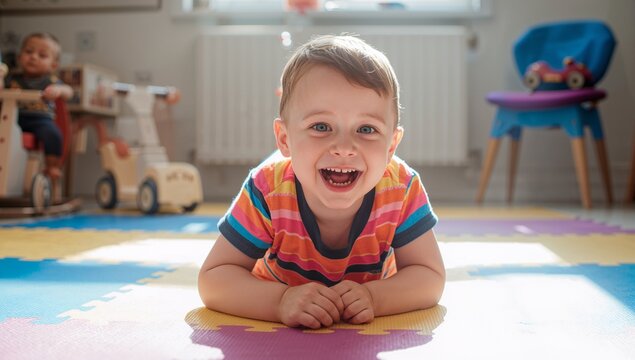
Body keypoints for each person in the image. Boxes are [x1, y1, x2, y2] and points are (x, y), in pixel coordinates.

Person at [198, 35, 445, 329]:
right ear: (285, 139)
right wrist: (280, 302)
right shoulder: (267, 190)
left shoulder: (400, 189)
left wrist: (375, 298)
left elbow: (429, 276)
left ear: (391, 146)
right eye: (321, 127)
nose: (344, 147)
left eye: (366, 129)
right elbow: (213, 279)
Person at [1, 32, 73, 179]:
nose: (33, 57)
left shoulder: (51, 81)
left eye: (42, 55)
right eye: (29, 52)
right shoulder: (11, 79)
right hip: (12, 119)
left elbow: (69, 91)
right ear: (19, 57)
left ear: (53, 65)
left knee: (53, 134)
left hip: (40, 120)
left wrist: (58, 91)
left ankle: (52, 166)